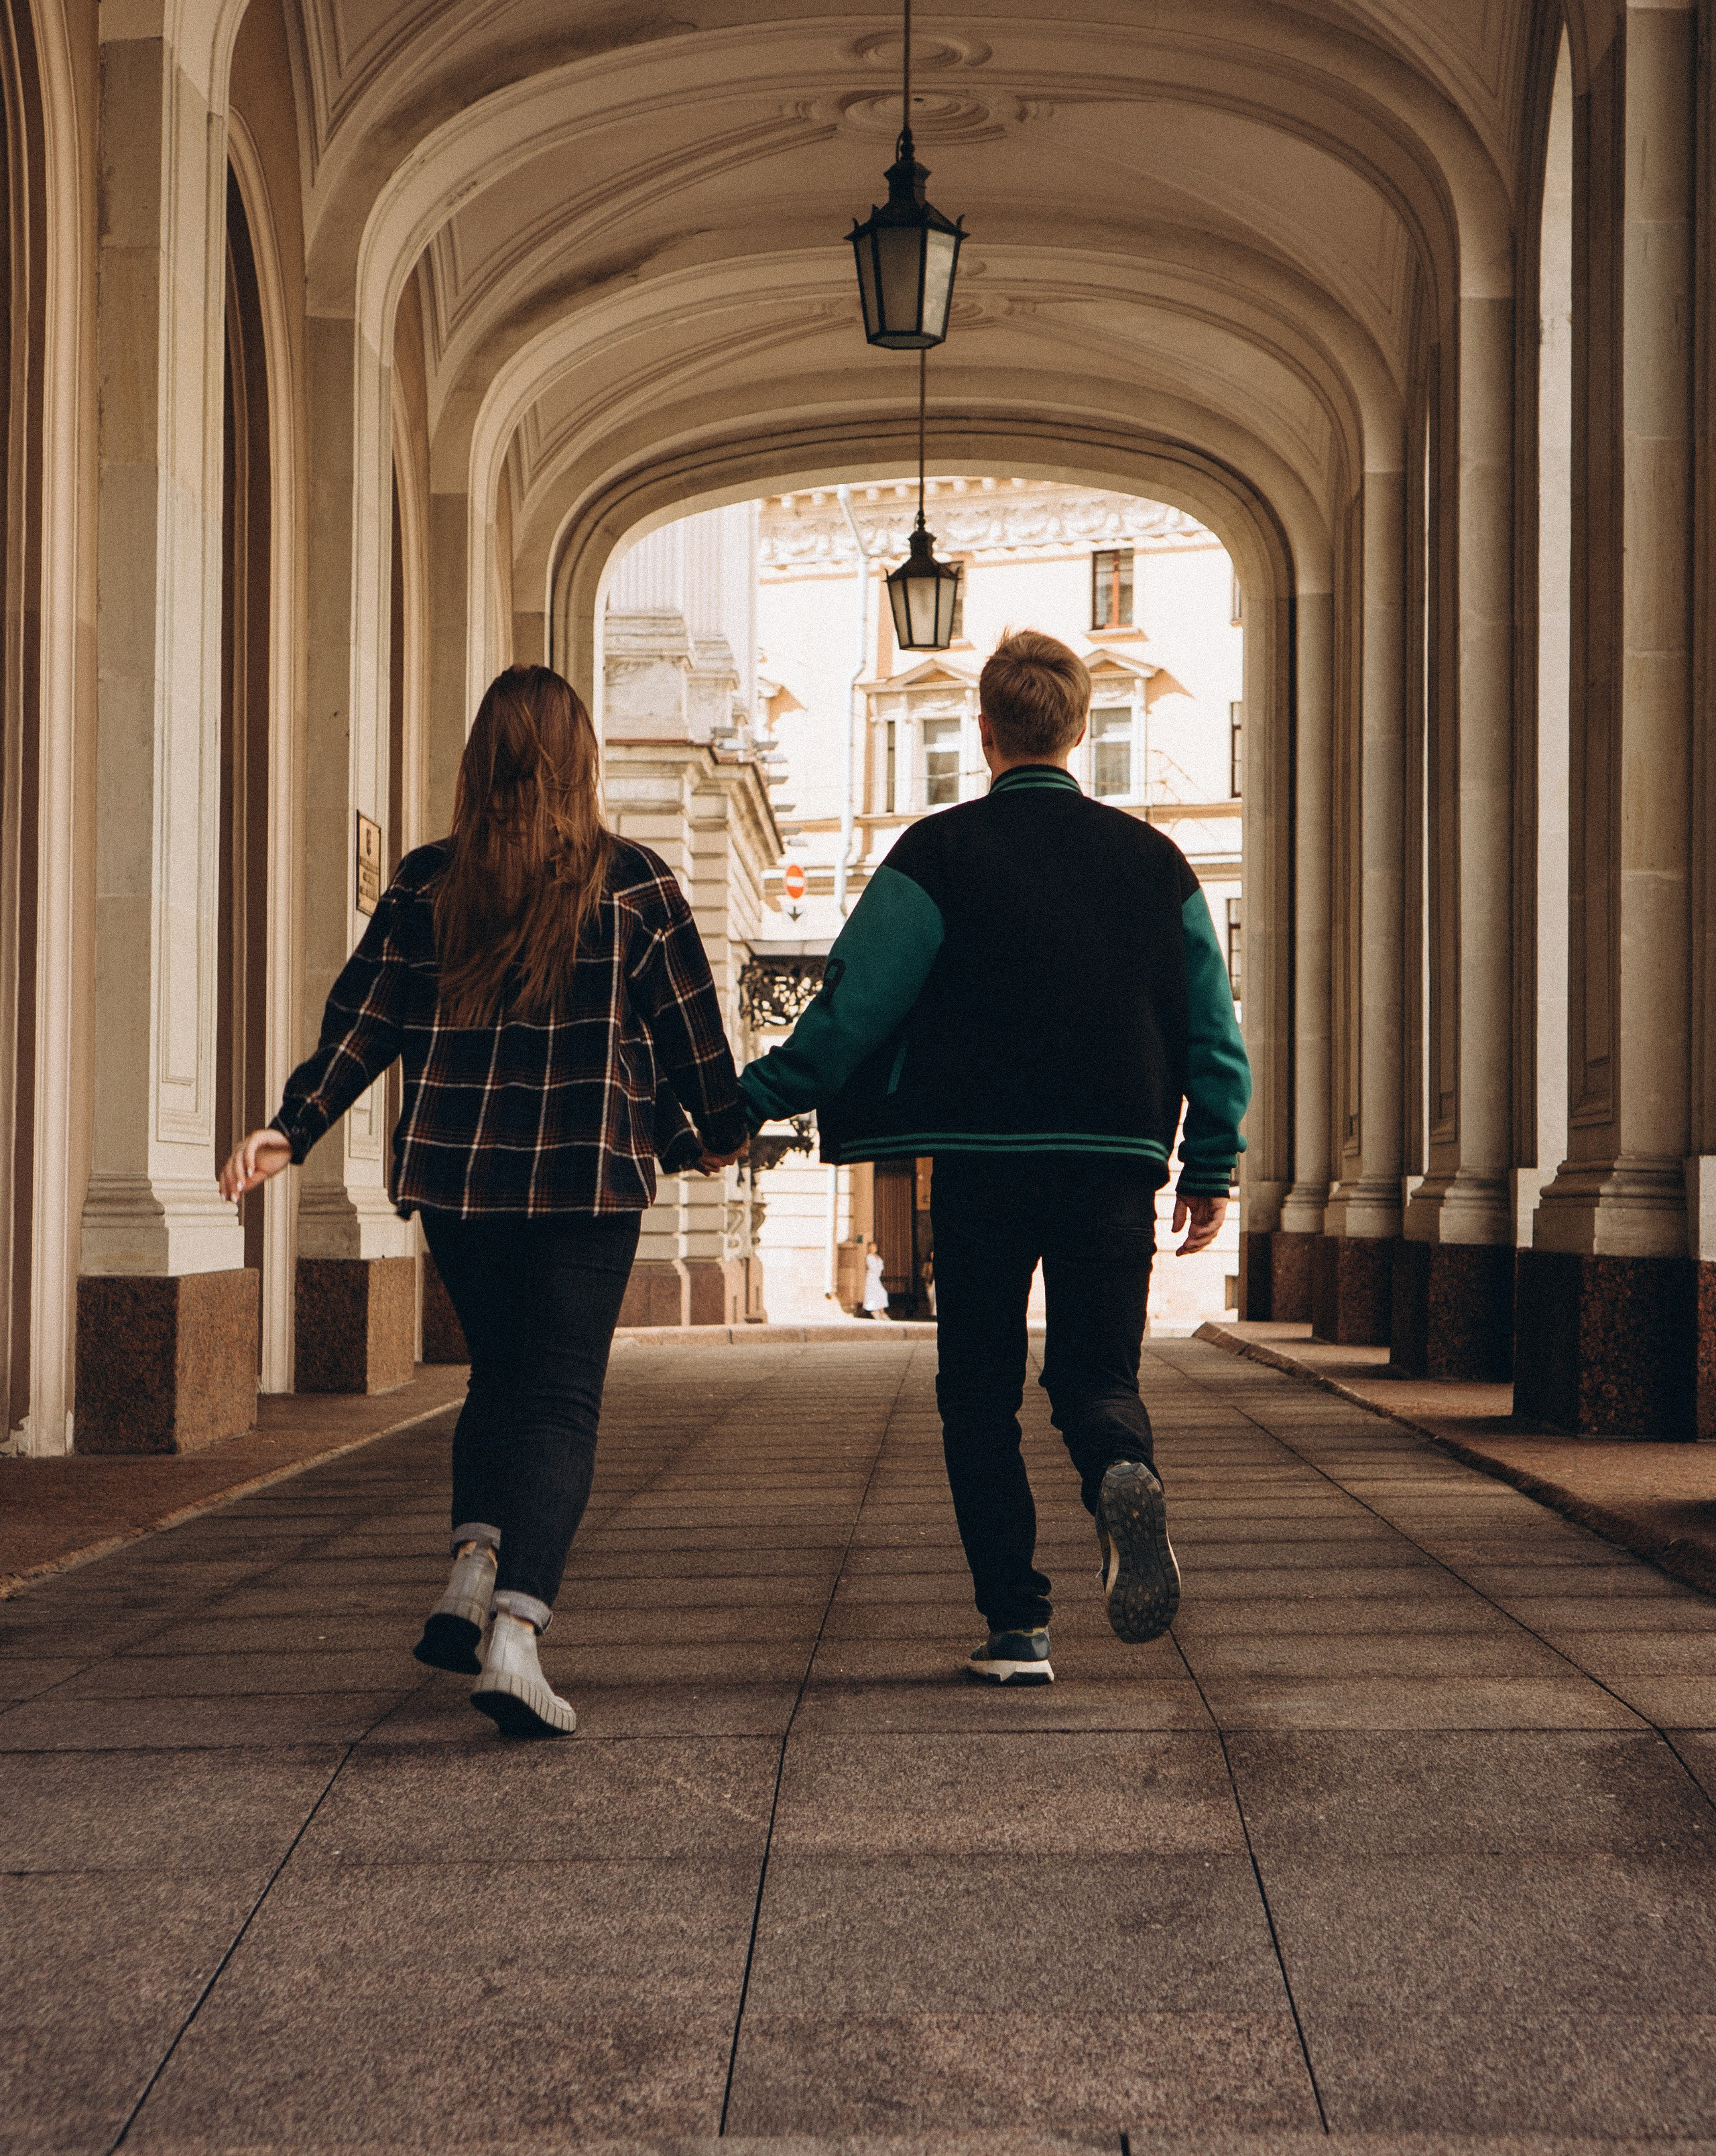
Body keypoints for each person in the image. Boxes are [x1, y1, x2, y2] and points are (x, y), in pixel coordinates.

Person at [219, 665, 745, 1739]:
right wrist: (713, 1136)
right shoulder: (636, 883)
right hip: (585, 1187)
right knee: (560, 1401)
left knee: (499, 1379)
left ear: (478, 763)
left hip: (460, 1183)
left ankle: (471, 1565)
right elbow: (697, 1057)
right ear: (583, 761)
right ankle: (515, 1633)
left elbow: (363, 1023)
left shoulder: (425, 884)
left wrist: (294, 1125)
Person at [740, 628, 1249, 1686]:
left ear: (983, 734)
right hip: (1114, 1157)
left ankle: (1018, 1628)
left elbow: (853, 1010)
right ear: (1078, 731)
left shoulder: (938, 853)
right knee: (1094, 1373)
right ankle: (1119, 1464)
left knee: (978, 1390)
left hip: (979, 1162)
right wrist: (1210, 1162)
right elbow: (1213, 1025)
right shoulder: (1156, 864)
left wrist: (754, 1099)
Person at [861, 1242, 890, 1319]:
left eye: (874, 1247)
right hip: (871, 1278)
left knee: (881, 1294)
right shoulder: (869, 1257)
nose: (873, 1248)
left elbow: (881, 1267)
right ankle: (875, 1312)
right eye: (872, 1247)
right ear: (869, 1248)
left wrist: (878, 1268)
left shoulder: (878, 1257)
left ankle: (881, 1312)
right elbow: (873, 1268)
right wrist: (878, 1268)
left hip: (876, 1278)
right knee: (874, 1294)